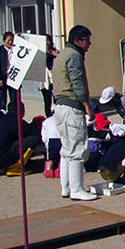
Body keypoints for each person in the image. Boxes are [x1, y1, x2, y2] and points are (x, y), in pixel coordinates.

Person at [53, 25, 96, 201]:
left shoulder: (61, 55)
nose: (89, 44)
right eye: (87, 40)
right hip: (72, 106)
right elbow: (77, 82)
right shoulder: (74, 56)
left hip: (59, 106)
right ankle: (77, 189)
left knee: (66, 149)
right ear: (78, 40)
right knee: (77, 149)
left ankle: (66, 187)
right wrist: (87, 105)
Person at [0, 103, 41, 176]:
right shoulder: (18, 121)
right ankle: (15, 167)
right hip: (1, 159)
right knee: (34, 138)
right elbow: (34, 133)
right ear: (21, 111)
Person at [0, 32, 17, 111]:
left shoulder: (15, 50)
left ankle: (12, 115)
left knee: (14, 100)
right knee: (3, 100)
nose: (10, 42)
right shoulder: (0, 50)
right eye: (8, 40)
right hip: (2, 78)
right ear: (4, 40)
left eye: (12, 40)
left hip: (12, 77)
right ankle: (3, 115)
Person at [40, 37, 59, 117]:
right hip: (44, 79)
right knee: (47, 101)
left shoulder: (54, 52)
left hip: (53, 79)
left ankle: (56, 115)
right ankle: (48, 116)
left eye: (48, 43)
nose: (47, 45)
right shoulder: (41, 52)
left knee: (56, 99)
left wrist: (56, 55)